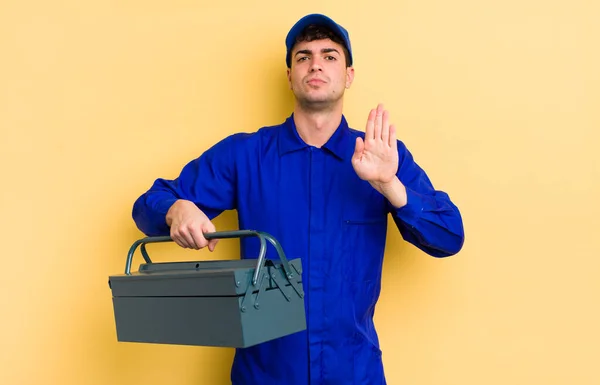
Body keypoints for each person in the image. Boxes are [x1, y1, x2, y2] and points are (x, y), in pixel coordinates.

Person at [132, 13, 464, 385]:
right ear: (290, 75)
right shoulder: (246, 155)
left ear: (349, 75)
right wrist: (177, 208)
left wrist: (390, 185)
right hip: (264, 374)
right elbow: (148, 204)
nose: (316, 64)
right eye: (303, 56)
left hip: (354, 373)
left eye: (329, 55)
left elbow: (449, 236)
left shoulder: (382, 155)